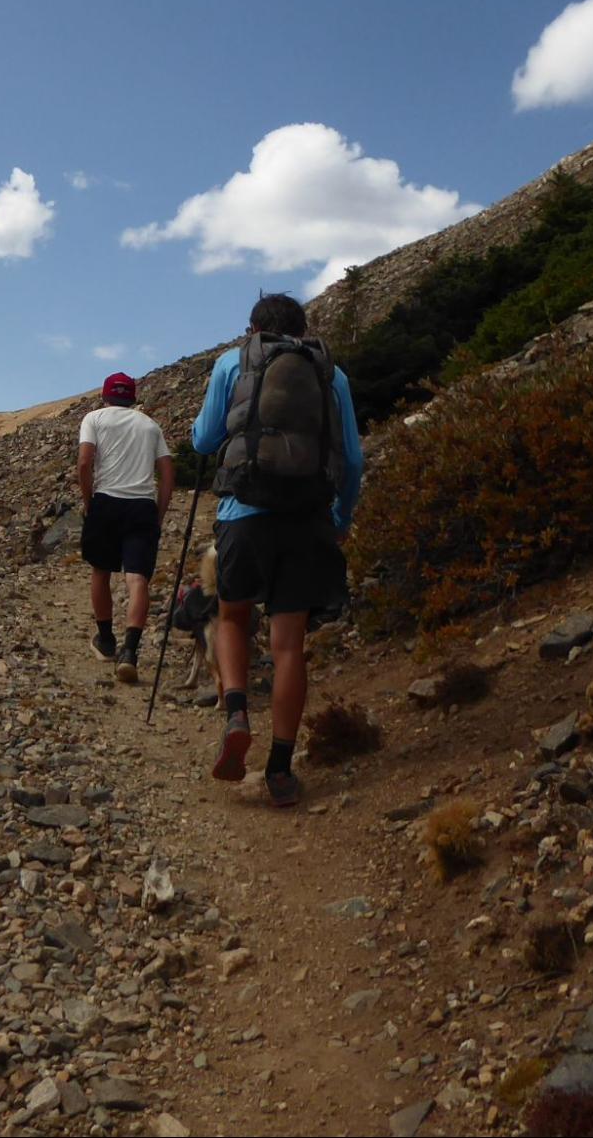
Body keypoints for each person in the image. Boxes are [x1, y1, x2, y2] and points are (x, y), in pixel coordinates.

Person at [189, 293, 363, 807]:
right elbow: (352, 459)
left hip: (244, 515)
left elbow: (202, 440)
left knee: (234, 616)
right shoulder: (332, 374)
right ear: (304, 327)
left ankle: (238, 712)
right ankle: (281, 769)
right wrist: (341, 519)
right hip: (307, 518)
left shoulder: (232, 363)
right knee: (289, 644)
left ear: (253, 328)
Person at [78, 371, 174, 683]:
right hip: (142, 506)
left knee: (101, 570)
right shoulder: (150, 425)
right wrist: (158, 513)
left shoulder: (94, 419)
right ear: (132, 398)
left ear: (105, 396)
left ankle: (106, 641)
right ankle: (130, 651)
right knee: (137, 579)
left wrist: (89, 501)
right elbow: (167, 473)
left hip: (106, 501)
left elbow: (84, 463)